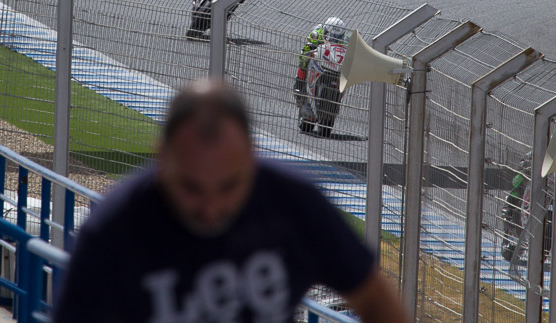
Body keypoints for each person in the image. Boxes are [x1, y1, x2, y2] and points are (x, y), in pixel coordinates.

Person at [54, 78, 412, 323]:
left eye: (228, 187)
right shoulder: (112, 233)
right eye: (192, 187)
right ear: (161, 158)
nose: (210, 209)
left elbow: (374, 296)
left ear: (251, 158)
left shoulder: (293, 202)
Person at [293, 17, 348, 96]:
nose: (334, 38)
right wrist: (309, 52)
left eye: (337, 37)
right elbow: (307, 47)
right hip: (321, 53)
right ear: (326, 31)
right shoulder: (317, 33)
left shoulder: (346, 39)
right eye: (332, 35)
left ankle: (339, 96)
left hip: (334, 58)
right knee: (304, 57)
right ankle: (299, 83)